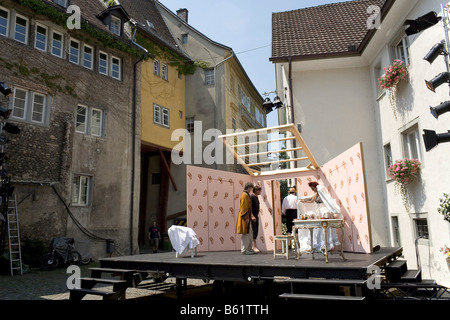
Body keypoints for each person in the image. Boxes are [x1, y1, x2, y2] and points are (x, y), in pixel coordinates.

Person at [299, 182, 340, 252]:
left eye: (313, 188)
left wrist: (333, 212)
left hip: (324, 211)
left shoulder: (322, 193)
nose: (312, 190)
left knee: (325, 229)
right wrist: (303, 201)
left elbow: (328, 201)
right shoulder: (316, 194)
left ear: (315, 187)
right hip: (319, 212)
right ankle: (319, 244)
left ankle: (326, 245)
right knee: (318, 229)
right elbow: (311, 200)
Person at [235, 182, 255, 255]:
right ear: (249, 188)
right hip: (245, 218)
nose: (251, 190)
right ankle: (244, 250)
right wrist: (246, 217)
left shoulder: (246, 195)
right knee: (245, 234)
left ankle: (249, 248)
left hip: (247, 217)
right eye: (251, 188)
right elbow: (244, 207)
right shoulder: (244, 195)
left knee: (250, 233)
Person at [250, 185, 262, 253]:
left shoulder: (256, 197)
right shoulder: (252, 197)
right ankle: (253, 246)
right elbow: (250, 207)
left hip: (256, 216)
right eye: (259, 190)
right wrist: (252, 216)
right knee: (254, 230)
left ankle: (254, 246)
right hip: (253, 216)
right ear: (256, 190)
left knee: (256, 230)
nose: (260, 192)